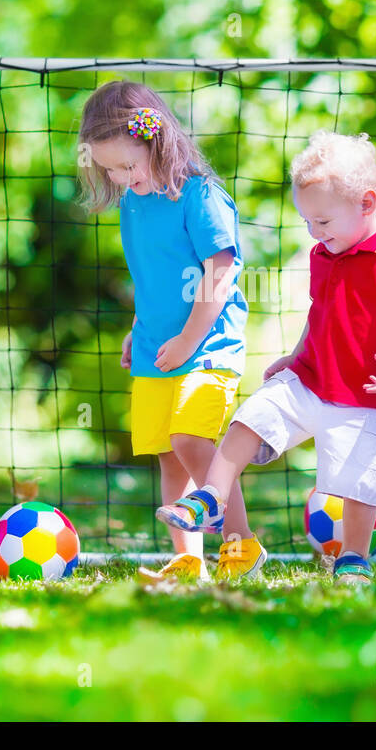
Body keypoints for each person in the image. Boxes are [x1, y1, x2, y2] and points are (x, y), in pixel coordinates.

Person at [157, 130, 376, 584]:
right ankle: (211, 496)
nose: (315, 232)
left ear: (366, 204)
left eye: (323, 222)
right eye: (308, 221)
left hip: (363, 397)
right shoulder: (322, 254)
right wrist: (295, 354)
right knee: (249, 417)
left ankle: (353, 558)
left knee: (359, 481)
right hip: (309, 380)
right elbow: (320, 311)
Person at [78, 80, 262, 581]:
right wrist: (139, 330)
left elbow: (219, 274)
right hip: (157, 349)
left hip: (209, 347)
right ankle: (188, 559)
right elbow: (151, 277)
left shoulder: (200, 196)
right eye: (109, 169)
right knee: (168, 455)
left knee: (191, 439)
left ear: (153, 140)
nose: (119, 177)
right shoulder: (133, 204)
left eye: (126, 165)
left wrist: (186, 341)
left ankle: (242, 546)